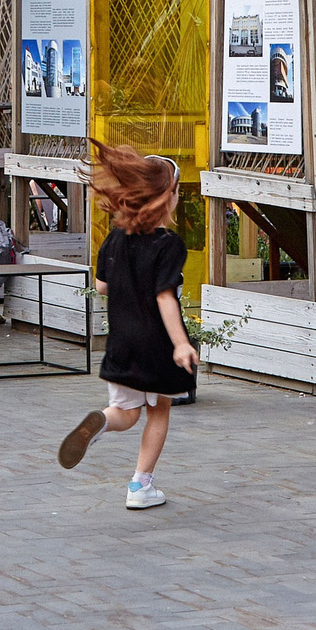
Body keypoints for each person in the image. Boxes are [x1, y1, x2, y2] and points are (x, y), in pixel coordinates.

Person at [56, 144, 200, 509]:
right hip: (156, 343)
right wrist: (181, 344)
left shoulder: (116, 238)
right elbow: (165, 297)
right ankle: (140, 486)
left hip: (120, 341)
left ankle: (102, 423)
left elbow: (102, 285)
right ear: (167, 198)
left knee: (125, 412)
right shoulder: (169, 244)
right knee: (159, 410)